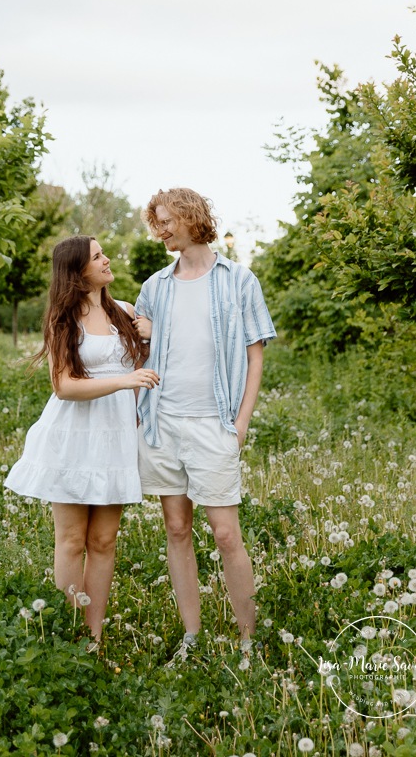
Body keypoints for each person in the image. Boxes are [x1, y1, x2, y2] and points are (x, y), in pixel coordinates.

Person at [133, 188, 276, 652]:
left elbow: (255, 355)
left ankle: (249, 640)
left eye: (166, 220)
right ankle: (191, 636)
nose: (161, 230)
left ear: (191, 216)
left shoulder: (238, 280)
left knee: (226, 533)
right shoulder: (154, 287)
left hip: (214, 423)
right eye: (156, 222)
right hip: (163, 423)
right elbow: (140, 351)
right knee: (176, 528)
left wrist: (242, 421)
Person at [4, 235, 160, 640]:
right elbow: (64, 386)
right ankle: (66, 635)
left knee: (104, 540)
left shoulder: (125, 312)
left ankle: (93, 637)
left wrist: (153, 332)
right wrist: (124, 381)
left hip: (116, 436)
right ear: (78, 272)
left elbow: (153, 363)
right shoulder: (63, 318)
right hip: (74, 435)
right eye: (97, 256)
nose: (107, 259)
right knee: (73, 540)